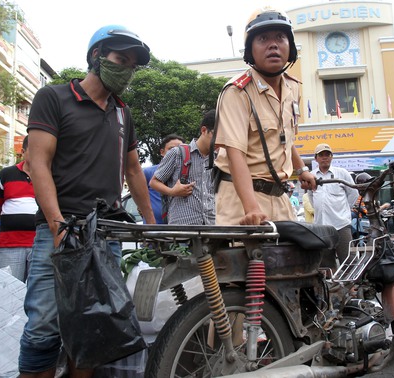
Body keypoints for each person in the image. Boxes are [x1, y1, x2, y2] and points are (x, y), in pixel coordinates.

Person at [18, 24, 155, 378]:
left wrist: (153, 225)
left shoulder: (123, 113)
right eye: (120, 59)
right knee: (43, 325)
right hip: (61, 231)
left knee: (92, 328)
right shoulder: (54, 97)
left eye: (132, 65)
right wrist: (57, 224)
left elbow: (135, 172)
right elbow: (39, 162)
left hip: (105, 234)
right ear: (96, 56)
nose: (126, 69)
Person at [213, 7, 315, 226]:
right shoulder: (237, 91)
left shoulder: (293, 87)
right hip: (241, 199)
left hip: (280, 196)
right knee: (245, 259)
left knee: (295, 257)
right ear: (250, 50)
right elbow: (235, 154)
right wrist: (251, 209)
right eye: (262, 38)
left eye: (280, 37)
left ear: (291, 47)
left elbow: (285, 139)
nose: (273, 45)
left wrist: (302, 170)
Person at [150, 110, 216, 225]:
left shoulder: (219, 158)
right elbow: (154, 182)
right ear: (204, 130)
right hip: (182, 229)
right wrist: (172, 191)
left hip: (211, 227)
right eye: (216, 136)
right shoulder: (177, 153)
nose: (220, 141)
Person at [0, 136, 36, 282]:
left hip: (41, 244)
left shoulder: (53, 175)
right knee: (7, 291)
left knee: (37, 294)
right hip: (10, 244)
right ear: (23, 152)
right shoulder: (5, 174)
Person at [308, 143, 358, 265]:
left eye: (327, 154)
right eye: (321, 155)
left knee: (349, 261)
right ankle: (332, 284)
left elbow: (353, 193)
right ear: (316, 158)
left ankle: (352, 284)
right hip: (321, 226)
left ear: (331, 157)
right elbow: (311, 196)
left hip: (341, 224)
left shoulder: (342, 173)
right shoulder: (311, 176)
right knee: (325, 264)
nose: (324, 157)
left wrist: (345, 210)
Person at [143, 134, 185, 223]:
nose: (176, 152)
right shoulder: (148, 172)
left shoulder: (187, 173)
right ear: (162, 152)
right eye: (171, 149)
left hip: (179, 226)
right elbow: (138, 193)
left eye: (180, 149)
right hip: (153, 227)